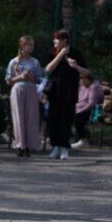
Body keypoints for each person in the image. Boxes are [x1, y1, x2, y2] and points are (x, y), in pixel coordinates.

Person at [44, 30, 88, 160]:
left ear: (64, 40)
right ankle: (55, 147)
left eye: (57, 39)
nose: (54, 41)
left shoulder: (75, 53)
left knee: (66, 120)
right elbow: (48, 69)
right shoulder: (52, 52)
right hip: (54, 91)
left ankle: (64, 148)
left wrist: (76, 67)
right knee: (53, 120)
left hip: (69, 91)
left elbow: (86, 72)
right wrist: (61, 54)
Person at [6, 35, 44, 157]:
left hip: (31, 89)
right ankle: (19, 145)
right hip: (18, 89)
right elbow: (8, 80)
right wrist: (20, 76)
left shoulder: (35, 62)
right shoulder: (14, 61)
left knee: (31, 117)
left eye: (32, 45)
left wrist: (31, 77)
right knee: (18, 117)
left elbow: (39, 79)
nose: (31, 47)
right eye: (29, 44)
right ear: (23, 46)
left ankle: (29, 145)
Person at [72, 72, 105, 149]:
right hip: (81, 107)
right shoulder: (82, 86)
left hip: (93, 110)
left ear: (88, 80)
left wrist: (79, 110)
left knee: (78, 117)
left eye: (83, 81)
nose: (82, 83)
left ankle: (83, 141)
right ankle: (70, 138)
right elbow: (80, 101)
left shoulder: (94, 87)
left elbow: (91, 103)